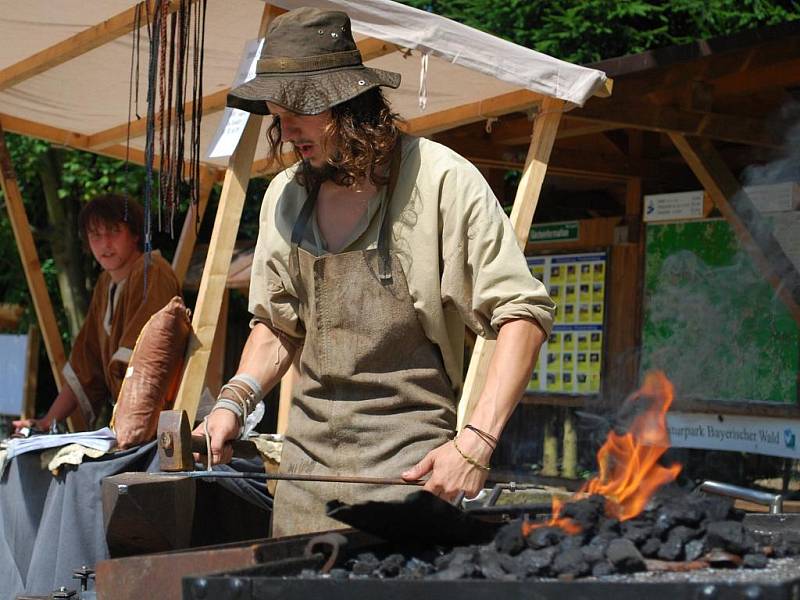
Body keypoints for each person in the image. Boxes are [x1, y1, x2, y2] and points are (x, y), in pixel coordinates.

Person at [205, 7, 555, 537]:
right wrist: (235, 401)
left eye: (298, 109)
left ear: (347, 98)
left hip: (410, 480)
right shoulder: (286, 196)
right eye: (278, 114)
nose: (286, 128)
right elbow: (278, 324)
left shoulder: (440, 181)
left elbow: (522, 315)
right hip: (304, 485)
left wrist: (475, 443)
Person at [14, 194, 181, 432]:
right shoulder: (105, 284)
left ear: (134, 234)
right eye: (95, 235)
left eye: (113, 231)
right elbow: (86, 365)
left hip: (169, 419)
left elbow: (146, 359)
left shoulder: (152, 272)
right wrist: (45, 423)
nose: (105, 244)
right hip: (130, 422)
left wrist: (128, 431)